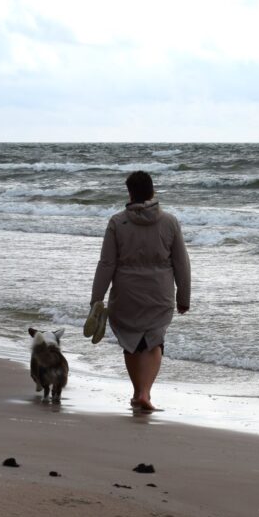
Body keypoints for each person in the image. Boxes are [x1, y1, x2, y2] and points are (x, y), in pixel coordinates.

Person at [89, 170, 190, 412]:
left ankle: (138, 393)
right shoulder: (169, 222)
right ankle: (144, 393)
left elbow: (107, 263)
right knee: (155, 342)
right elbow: (182, 262)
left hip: (126, 292)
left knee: (131, 342)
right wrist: (183, 297)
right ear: (152, 191)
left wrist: (97, 298)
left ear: (130, 193)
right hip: (160, 291)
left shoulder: (117, 222)